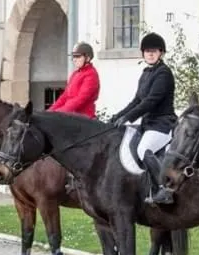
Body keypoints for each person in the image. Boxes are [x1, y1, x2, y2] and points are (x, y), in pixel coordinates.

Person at [110, 32, 178, 206]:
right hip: (148, 124)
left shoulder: (164, 73)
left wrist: (129, 117)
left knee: (143, 149)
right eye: (147, 51)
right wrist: (118, 116)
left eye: (154, 51)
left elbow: (151, 101)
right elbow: (137, 100)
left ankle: (165, 190)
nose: (150, 53)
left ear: (161, 53)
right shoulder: (146, 73)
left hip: (162, 124)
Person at [49, 41, 101, 194]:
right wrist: (50, 113)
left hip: (83, 119)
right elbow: (65, 96)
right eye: (74, 57)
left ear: (88, 57)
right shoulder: (75, 74)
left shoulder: (91, 75)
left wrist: (60, 114)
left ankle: (75, 179)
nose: (75, 60)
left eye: (78, 57)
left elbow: (80, 100)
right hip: (69, 117)